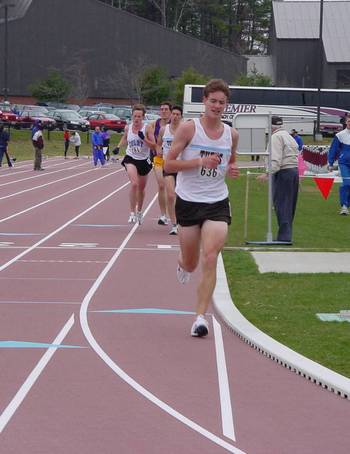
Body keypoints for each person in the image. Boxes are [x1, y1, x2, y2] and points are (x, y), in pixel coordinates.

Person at [164, 79, 239, 338]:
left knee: (210, 256)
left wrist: (231, 168)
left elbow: (231, 162)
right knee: (191, 262)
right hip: (188, 201)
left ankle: (200, 317)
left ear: (227, 105)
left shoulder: (232, 134)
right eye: (213, 101)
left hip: (217, 201)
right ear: (204, 102)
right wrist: (199, 161)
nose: (217, 106)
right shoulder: (188, 129)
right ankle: (183, 264)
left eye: (222, 102)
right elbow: (169, 165)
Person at [257, 116, 299, 243]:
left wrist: (268, 173)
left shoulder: (275, 137)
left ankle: (284, 237)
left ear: (271, 126)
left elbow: (275, 158)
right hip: (293, 171)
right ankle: (286, 235)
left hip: (284, 172)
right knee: (289, 205)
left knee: (282, 204)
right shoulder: (289, 136)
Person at [115, 104, 155, 224]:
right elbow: (125, 138)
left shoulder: (147, 128)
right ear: (132, 116)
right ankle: (132, 212)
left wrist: (144, 139)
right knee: (134, 184)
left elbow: (153, 145)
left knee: (141, 189)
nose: (136, 119)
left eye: (139, 116)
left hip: (143, 160)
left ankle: (139, 211)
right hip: (130, 158)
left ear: (143, 117)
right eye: (134, 116)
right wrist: (118, 147)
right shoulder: (128, 127)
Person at [157, 105, 183, 235]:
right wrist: (158, 150)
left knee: (182, 196)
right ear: (171, 115)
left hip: (182, 167)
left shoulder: (184, 131)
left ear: (181, 117)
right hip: (168, 166)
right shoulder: (163, 129)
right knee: (171, 195)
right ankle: (174, 224)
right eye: (174, 114)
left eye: (178, 114)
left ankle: (182, 220)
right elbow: (158, 143)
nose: (175, 116)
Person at [150, 102, 172, 225]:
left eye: (166, 109)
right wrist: (155, 147)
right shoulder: (154, 124)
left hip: (172, 159)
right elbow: (149, 139)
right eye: (162, 109)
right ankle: (163, 215)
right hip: (158, 158)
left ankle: (175, 214)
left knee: (173, 189)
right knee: (161, 185)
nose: (163, 111)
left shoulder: (175, 124)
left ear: (170, 111)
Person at [328, 114, 350, 215]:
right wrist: (330, 163)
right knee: (346, 183)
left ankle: (346, 204)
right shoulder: (340, 135)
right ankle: (344, 206)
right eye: (349, 121)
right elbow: (333, 149)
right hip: (344, 163)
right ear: (346, 122)